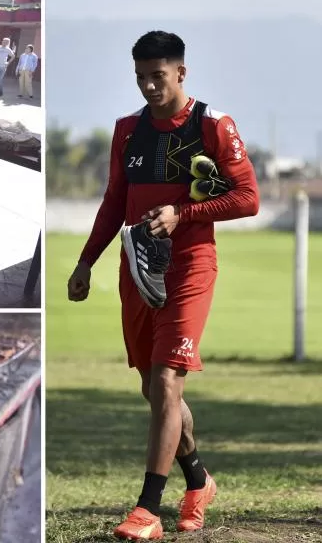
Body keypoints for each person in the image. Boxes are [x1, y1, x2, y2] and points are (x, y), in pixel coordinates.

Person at [66, 31, 259, 540]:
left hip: (190, 264)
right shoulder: (127, 129)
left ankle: (147, 508)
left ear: (181, 73)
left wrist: (184, 213)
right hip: (138, 267)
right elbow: (113, 201)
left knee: (170, 379)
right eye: (141, 77)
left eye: (159, 75)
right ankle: (198, 482)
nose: (149, 85)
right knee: (153, 388)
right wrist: (85, 261)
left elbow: (248, 198)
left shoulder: (213, 125)